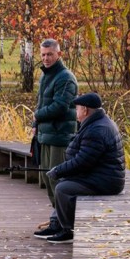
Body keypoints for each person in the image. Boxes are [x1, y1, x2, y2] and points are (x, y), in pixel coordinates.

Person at [43, 92, 125, 243]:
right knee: (66, 181)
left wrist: (58, 170)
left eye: (77, 109)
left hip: (106, 181)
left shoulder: (97, 129)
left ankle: (68, 230)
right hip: (99, 175)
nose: (76, 113)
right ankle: (58, 223)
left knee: (63, 188)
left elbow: (83, 161)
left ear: (85, 110)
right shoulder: (96, 123)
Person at [32, 39, 78, 238]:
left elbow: (60, 106)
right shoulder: (46, 76)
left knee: (58, 180)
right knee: (47, 179)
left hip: (60, 137)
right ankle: (57, 219)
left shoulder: (65, 78)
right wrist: (35, 125)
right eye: (42, 55)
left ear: (59, 54)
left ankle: (65, 226)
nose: (45, 58)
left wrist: (38, 116)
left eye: (49, 54)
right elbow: (41, 103)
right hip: (45, 135)